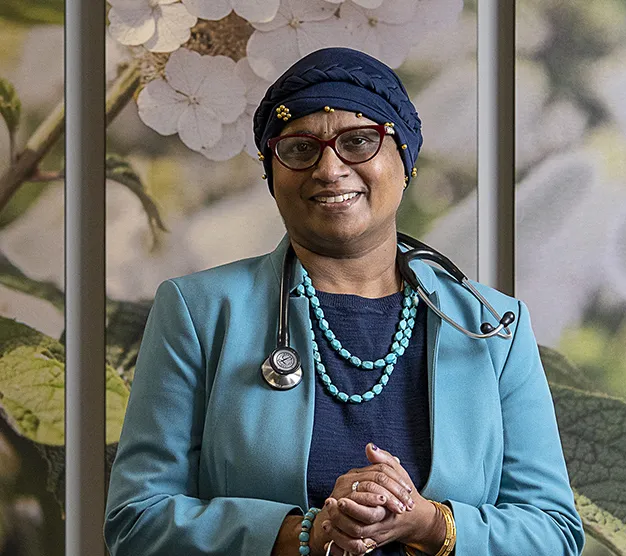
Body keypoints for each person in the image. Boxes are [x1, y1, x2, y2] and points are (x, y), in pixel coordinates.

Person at [104, 47, 584, 556]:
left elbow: (554, 532)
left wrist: (429, 524)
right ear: (271, 173)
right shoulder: (198, 311)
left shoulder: (494, 327)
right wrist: (307, 534)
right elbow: (137, 520)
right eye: (299, 148)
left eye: (358, 141)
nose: (330, 169)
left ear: (406, 160)